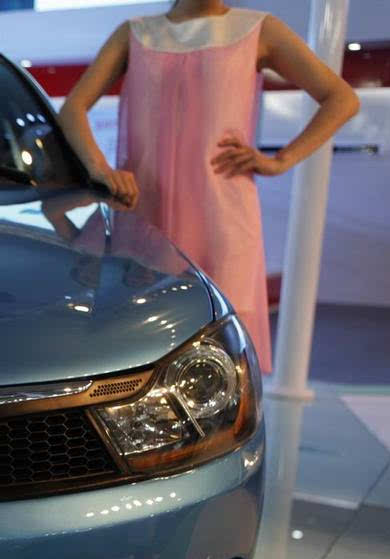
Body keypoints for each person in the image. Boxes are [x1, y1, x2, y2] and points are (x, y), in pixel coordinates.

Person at [57, 0, 359, 373]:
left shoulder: (259, 30)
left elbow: (341, 99)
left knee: (223, 346)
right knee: (136, 343)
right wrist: (101, 170)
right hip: (143, 211)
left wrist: (281, 159)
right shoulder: (134, 33)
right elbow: (73, 108)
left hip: (221, 215)